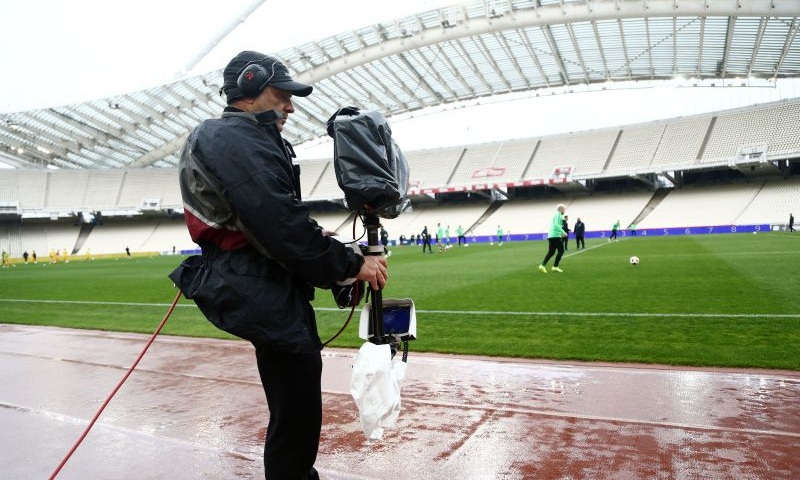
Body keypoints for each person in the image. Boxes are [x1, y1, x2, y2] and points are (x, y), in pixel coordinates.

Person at [168, 50, 388, 480]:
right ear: (249, 89)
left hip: (259, 278)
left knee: (296, 392)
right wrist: (348, 265)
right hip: (251, 280)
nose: (290, 105)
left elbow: (276, 221)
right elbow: (277, 225)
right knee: (296, 398)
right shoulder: (229, 137)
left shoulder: (247, 138)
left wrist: (335, 258)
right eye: (281, 94)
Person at [538, 204, 568, 273]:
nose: (565, 210)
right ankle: (555, 267)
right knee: (561, 251)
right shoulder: (559, 215)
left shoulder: (557, 215)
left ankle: (542, 266)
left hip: (551, 236)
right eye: (564, 209)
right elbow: (556, 225)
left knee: (551, 252)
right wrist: (563, 232)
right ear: (561, 209)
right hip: (555, 236)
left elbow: (556, 225)